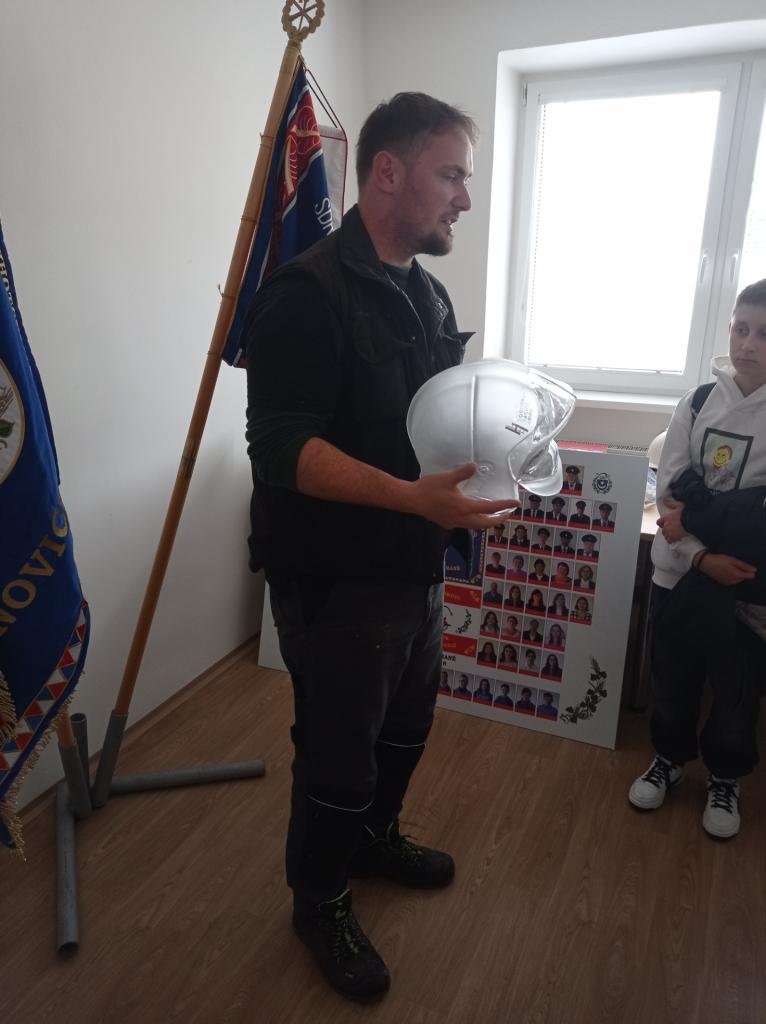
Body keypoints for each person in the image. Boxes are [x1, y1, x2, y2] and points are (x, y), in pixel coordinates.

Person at [245, 93, 517, 1000]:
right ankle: (319, 900)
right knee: (338, 752)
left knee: (405, 729)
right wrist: (410, 498)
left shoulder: (425, 292)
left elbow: (429, 423)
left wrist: (500, 446)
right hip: (337, 580)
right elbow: (280, 448)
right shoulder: (305, 294)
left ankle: (372, 839)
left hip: (413, 566)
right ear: (388, 172)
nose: (465, 199)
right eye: (453, 175)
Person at [628, 279, 766, 841]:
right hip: (679, 572)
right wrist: (701, 553)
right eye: (741, 328)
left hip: (746, 585)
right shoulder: (698, 402)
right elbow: (670, 498)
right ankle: (668, 758)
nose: (748, 344)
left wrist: (710, 516)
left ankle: (725, 777)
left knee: (736, 692)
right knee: (673, 677)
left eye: (764, 334)